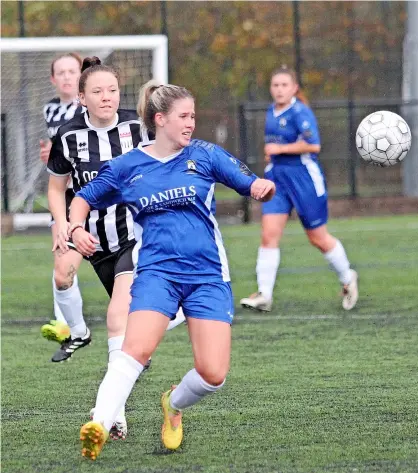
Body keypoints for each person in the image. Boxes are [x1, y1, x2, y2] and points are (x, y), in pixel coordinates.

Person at [62, 81, 275, 460]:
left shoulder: (205, 155)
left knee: (213, 374)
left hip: (208, 276)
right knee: (134, 349)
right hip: (156, 273)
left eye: (193, 115)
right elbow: (81, 199)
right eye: (184, 116)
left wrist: (260, 187)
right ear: (160, 119)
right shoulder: (128, 167)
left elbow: (249, 181)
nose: (191, 123)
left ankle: (172, 404)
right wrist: (76, 229)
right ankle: (100, 422)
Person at [47, 56, 178, 439]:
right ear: (82, 98)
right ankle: (78, 332)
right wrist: (64, 224)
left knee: (118, 317)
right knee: (61, 272)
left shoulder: (136, 127)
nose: (107, 97)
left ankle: (113, 413)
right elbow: (57, 187)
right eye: (98, 92)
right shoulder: (68, 136)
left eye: (113, 91)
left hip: (131, 236)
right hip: (84, 229)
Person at [239, 67, 358, 312]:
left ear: (294, 88)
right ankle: (265, 294)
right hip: (278, 180)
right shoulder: (271, 111)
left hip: (304, 179)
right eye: (275, 85)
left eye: (284, 85)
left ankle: (348, 278)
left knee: (318, 238)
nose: (279, 89)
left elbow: (314, 145)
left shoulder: (301, 112)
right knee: (268, 234)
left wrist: (279, 150)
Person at [39, 53, 86, 350]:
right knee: (62, 258)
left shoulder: (88, 106)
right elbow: (56, 152)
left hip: (92, 191)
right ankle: (66, 326)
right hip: (63, 193)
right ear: (53, 79)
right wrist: (50, 156)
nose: (67, 77)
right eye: (62, 72)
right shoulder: (50, 110)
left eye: (73, 71)